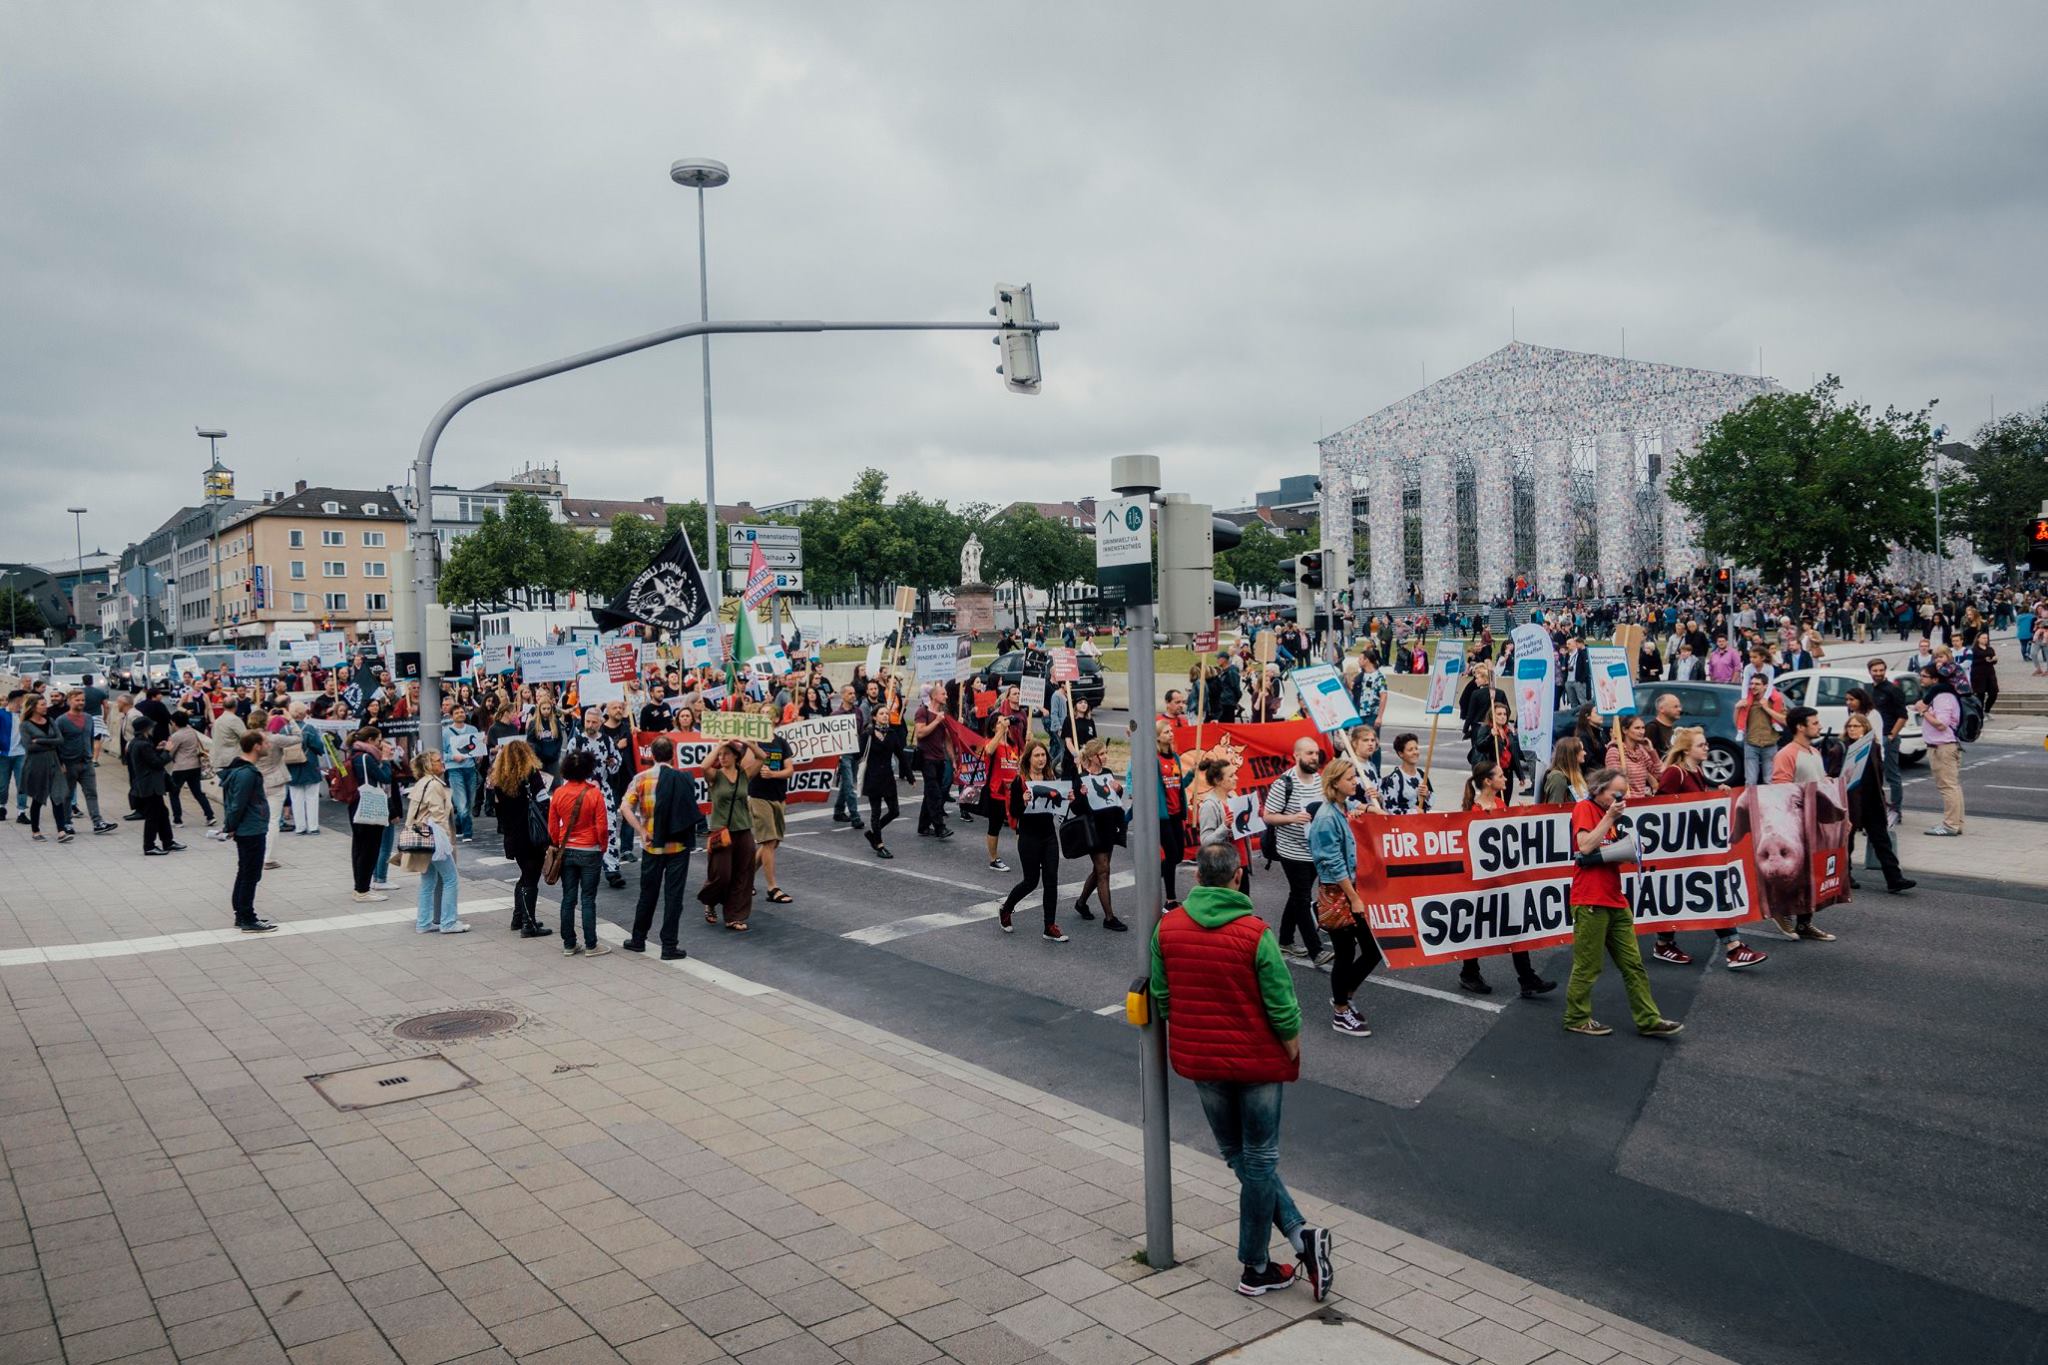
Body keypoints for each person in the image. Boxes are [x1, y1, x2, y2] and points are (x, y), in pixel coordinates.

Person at [1148, 842, 1331, 1302]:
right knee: (1260, 1158)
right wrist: (1292, 1050)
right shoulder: (1254, 933)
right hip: (1256, 1062)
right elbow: (1282, 1007)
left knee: (1239, 1156)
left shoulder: (1167, 929)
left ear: (1195, 878)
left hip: (1203, 1061)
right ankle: (1255, 1266)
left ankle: (1298, 1239)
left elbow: (1163, 995)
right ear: (1237, 878)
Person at [1561, 768, 1681, 1038]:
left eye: (1624, 793)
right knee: (1588, 965)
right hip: (1590, 900)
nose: (1621, 799)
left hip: (1614, 899)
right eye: (1616, 793)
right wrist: (1608, 818)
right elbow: (1585, 846)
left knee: (1633, 964)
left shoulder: (1610, 816)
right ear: (1599, 790)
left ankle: (1648, 1018)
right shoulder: (1585, 808)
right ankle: (1576, 1017)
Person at [1653, 727, 1766, 969]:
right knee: (1699, 892)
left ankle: (1666, 944)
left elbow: (1698, 802)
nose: (1707, 748)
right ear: (1686, 749)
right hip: (1679, 851)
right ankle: (1731, 947)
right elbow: (1659, 808)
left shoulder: (1697, 771)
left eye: (1705, 744)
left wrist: (1717, 795)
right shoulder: (1675, 773)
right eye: (1701, 745)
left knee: (1693, 894)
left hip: (1696, 847)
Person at [1456, 763, 1556, 998]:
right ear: (1488, 781)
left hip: (1504, 880)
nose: (1506, 779)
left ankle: (1527, 978)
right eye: (1501, 776)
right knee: (1478, 928)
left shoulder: (1501, 804)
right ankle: (1469, 973)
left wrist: (1524, 816)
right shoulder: (1473, 810)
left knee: (1517, 926)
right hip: (1482, 883)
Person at [1310, 758, 1377, 1038]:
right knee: (1347, 954)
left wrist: (1371, 806)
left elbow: (1356, 807)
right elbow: (1334, 864)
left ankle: (1344, 995)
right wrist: (1355, 898)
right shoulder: (1326, 819)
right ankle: (1340, 1010)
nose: (1356, 782)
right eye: (1350, 779)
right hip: (1339, 893)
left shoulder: (1341, 806)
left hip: (1350, 888)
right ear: (1335, 783)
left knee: (1372, 950)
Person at [621, 735, 699, 961]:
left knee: (648, 894)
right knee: (674, 897)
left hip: (652, 846)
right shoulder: (682, 778)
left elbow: (625, 807)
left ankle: (638, 939)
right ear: (673, 754)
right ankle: (669, 945)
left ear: (651, 755)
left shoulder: (641, 779)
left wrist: (641, 830)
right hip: (677, 846)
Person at [1263, 737, 1328, 966]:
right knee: (1302, 898)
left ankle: (1285, 940)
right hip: (1291, 851)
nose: (1314, 757)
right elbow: (1268, 815)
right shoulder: (1284, 783)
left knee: (1297, 894)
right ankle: (1316, 950)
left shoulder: (1319, 780)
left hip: (1314, 851)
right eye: (1309, 753)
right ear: (1296, 756)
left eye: (1316, 753)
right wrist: (1293, 818)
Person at [998, 738, 1069, 941]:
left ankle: (1049, 926)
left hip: (1048, 836)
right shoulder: (1020, 780)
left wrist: (1069, 798)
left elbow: (1058, 804)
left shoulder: (1050, 777)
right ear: (1028, 758)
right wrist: (1023, 801)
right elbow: (1013, 812)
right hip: (1029, 837)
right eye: (1036, 755)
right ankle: (1006, 908)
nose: (1041, 759)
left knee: (1051, 881)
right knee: (1030, 881)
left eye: (1043, 755)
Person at [1839, 707, 1913, 897]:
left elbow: (1878, 776)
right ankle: (1845, 876)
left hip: (1872, 802)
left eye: (1857, 726)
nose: (1852, 729)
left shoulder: (1873, 747)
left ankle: (1894, 879)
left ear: (1865, 728)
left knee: (1882, 841)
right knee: (1848, 842)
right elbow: (1833, 776)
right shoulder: (1840, 748)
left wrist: (1883, 801)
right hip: (1851, 803)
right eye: (1850, 726)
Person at [549, 748, 613, 955]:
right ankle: (591, 944)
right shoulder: (594, 793)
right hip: (590, 849)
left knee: (568, 898)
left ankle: (569, 943)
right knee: (588, 898)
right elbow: (602, 826)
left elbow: (552, 826)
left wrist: (558, 842)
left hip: (567, 849)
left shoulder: (559, 793)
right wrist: (602, 846)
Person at [489, 738, 553, 938]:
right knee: (530, 877)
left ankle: (519, 916)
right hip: (532, 833)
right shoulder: (531, 775)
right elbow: (543, 801)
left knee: (525, 874)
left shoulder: (499, 781)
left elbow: (495, 808)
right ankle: (529, 923)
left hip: (512, 834)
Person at [396, 752, 466, 934]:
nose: (441, 762)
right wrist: (446, 843)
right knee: (451, 878)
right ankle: (449, 922)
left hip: (422, 838)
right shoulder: (434, 784)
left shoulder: (421, 783)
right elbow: (439, 816)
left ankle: (424, 922)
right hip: (434, 839)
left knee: (428, 881)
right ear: (428, 765)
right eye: (437, 761)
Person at [697, 739, 762, 931]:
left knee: (743, 873)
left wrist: (749, 743)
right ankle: (710, 900)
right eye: (720, 755)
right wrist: (719, 745)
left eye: (726, 754)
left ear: (735, 756)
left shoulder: (744, 774)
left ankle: (734, 916)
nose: (722, 757)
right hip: (721, 830)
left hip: (742, 829)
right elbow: (703, 765)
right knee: (721, 875)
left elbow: (761, 758)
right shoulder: (715, 776)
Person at [218, 731, 278, 933]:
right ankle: (246, 917)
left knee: (245, 872)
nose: (269, 745)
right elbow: (237, 804)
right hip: (251, 829)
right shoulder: (247, 773)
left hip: (248, 828)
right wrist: (230, 827)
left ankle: (242, 914)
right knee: (250, 874)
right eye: (266, 742)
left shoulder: (240, 770)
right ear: (256, 746)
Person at [1070, 738, 1128, 930]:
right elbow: (1076, 808)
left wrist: (1118, 791)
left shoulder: (1108, 773)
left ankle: (1081, 903)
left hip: (1109, 826)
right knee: (1104, 871)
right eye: (1101, 753)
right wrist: (1082, 795)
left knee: (1099, 870)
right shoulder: (1080, 777)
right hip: (1093, 830)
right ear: (1093, 757)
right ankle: (1109, 918)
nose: (1105, 757)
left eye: (1105, 753)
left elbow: (1112, 800)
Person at [749, 713, 796, 904]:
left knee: (774, 841)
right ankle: (772, 888)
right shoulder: (754, 742)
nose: (766, 718)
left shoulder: (781, 743)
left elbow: (790, 770)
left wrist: (773, 774)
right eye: (762, 714)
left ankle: (744, 877)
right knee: (768, 841)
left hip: (778, 796)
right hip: (759, 795)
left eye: (770, 715)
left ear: (776, 720)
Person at [346, 725, 394, 903]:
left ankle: (360, 887)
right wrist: (387, 760)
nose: (381, 744)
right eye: (379, 740)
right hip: (368, 804)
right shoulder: (366, 757)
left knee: (360, 847)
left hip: (357, 804)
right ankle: (362, 889)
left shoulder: (357, 754)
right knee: (369, 848)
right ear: (370, 740)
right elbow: (384, 777)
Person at [1914, 665, 1964, 837]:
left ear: (1935, 680)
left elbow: (1941, 724)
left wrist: (1924, 711)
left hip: (1943, 747)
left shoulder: (1943, 697)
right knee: (1953, 787)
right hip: (1944, 746)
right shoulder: (1941, 696)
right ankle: (1957, 823)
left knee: (1947, 787)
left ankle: (1950, 825)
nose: (1921, 679)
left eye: (1924, 676)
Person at [56, 692, 115, 835]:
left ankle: (98, 822)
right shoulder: (61, 720)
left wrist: (91, 756)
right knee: (67, 795)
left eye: (83, 700)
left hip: (86, 763)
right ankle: (66, 823)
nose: (81, 702)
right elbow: (57, 744)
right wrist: (60, 763)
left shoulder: (89, 718)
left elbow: (90, 738)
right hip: (68, 764)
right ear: (69, 701)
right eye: (77, 700)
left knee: (91, 793)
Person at [858, 679, 902, 859]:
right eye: (882, 713)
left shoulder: (891, 734)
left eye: (886, 713)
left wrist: (909, 775)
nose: (885, 716)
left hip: (888, 778)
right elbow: (858, 754)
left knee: (894, 811)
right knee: (875, 812)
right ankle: (879, 844)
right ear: (874, 717)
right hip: (873, 778)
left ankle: (873, 834)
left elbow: (900, 754)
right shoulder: (867, 735)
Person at [19, 696, 69, 842]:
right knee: (38, 797)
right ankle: (35, 830)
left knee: (58, 796)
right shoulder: (25, 725)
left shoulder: (51, 721)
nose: (45, 706)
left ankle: (61, 831)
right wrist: (50, 744)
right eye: (42, 704)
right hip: (36, 764)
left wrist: (41, 740)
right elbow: (29, 746)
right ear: (33, 707)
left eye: (45, 704)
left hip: (53, 762)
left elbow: (60, 740)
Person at [126, 715, 178, 855]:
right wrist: (167, 750)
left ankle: (168, 842)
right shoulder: (143, 744)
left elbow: (148, 759)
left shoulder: (136, 742)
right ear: (146, 728)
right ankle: (149, 846)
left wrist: (157, 749)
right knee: (153, 816)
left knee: (162, 813)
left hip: (145, 784)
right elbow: (156, 764)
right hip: (150, 786)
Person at [1866, 658, 1909, 814]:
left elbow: (1903, 716)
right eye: (1875, 671)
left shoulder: (1893, 690)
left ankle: (1896, 811)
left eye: (1881, 670)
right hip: (1872, 737)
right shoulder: (1868, 689)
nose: (1878, 673)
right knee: (1874, 776)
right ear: (1869, 672)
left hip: (1887, 736)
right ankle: (1878, 809)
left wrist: (1891, 736)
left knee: (1892, 775)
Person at [979, 716, 1021, 873]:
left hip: (1013, 793)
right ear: (993, 728)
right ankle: (993, 859)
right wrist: (1001, 731)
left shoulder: (1012, 745)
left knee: (1019, 827)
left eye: (1004, 721)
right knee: (994, 826)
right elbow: (988, 750)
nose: (1004, 723)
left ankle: (1028, 855)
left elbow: (1018, 764)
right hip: (997, 792)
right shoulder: (990, 743)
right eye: (999, 722)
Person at [279, 702, 323, 838]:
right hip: (309, 765)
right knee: (312, 797)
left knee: (295, 797)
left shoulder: (284, 730)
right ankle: (313, 826)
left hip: (291, 766)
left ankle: (300, 827)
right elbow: (319, 747)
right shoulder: (309, 729)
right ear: (304, 713)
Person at [441, 709, 486, 842]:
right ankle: (468, 832)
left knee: (470, 801)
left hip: (470, 768)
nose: (460, 714)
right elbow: (442, 752)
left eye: (462, 712)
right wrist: (453, 757)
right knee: (461, 802)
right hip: (454, 769)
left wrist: (480, 755)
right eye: (457, 713)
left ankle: (459, 826)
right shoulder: (446, 732)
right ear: (451, 716)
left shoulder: (472, 729)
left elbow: (479, 746)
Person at [1735, 672, 1786, 786]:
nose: (1753, 686)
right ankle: (1751, 803)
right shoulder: (1747, 701)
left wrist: (1767, 708)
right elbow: (1737, 722)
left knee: (1770, 781)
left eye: (1757, 684)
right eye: (1751, 683)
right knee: (1750, 782)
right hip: (1751, 744)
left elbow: (1784, 720)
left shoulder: (1774, 701)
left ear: (1766, 686)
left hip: (1770, 744)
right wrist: (1737, 708)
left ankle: (1769, 803)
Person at [1605, 714, 1661, 800]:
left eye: (1643, 728)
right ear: (1625, 730)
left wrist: (1651, 751)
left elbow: (1658, 774)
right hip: (1626, 804)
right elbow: (1613, 783)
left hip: (1641, 802)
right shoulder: (1614, 752)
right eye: (1637, 728)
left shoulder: (1641, 750)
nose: (1642, 732)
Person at [1377, 733, 1430, 814]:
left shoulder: (1422, 774)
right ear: (1401, 753)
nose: (1415, 752)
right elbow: (1389, 808)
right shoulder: (1395, 778)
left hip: (1421, 823)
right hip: (1402, 825)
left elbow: (1430, 804)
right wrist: (1413, 812)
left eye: (1416, 748)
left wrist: (1427, 795)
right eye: (1410, 750)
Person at [1541, 736, 1588, 806]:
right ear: (1572, 754)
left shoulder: (1575, 774)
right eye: (1581, 750)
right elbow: (1554, 809)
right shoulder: (1558, 777)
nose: (1585, 753)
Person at [1643, 692, 1684, 758]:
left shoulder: (1675, 729)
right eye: (1675, 707)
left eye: (1679, 706)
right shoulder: (1652, 728)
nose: (1680, 709)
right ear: (1661, 709)